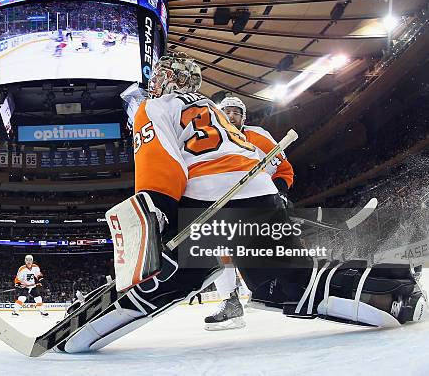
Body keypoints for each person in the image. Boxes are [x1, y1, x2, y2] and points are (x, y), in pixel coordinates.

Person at [53, 52, 427, 354]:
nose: (156, 79)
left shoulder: (153, 108)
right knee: (288, 283)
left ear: (172, 79)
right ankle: (393, 290)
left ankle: (80, 338)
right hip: (257, 195)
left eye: (162, 72)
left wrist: (162, 220)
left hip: (212, 201)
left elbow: (161, 165)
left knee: (167, 280)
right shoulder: (212, 109)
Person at [204, 93, 295, 330]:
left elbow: (284, 170)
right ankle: (230, 302)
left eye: (236, 112)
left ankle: (291, 284)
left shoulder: (258, 137)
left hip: (258, 203)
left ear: (243, 117)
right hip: (226, 206)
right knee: (219, 249)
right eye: (227, 111)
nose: (231, 116)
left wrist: (280, 193)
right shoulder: (210, 140)